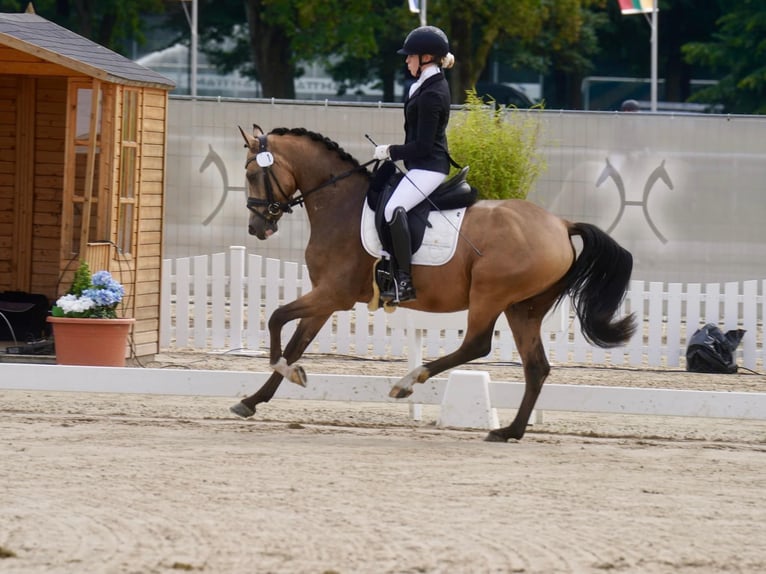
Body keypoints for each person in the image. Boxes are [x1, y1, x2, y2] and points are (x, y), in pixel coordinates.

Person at [372, 25, 456, 303]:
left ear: (427, 58)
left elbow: (422, 145)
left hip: (431, 167)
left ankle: (404, 281)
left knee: (394, 209)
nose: (406, 61)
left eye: (411, 56)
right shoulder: (422, 86)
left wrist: (391, 150)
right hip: (419, 166)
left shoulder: (434, 93)